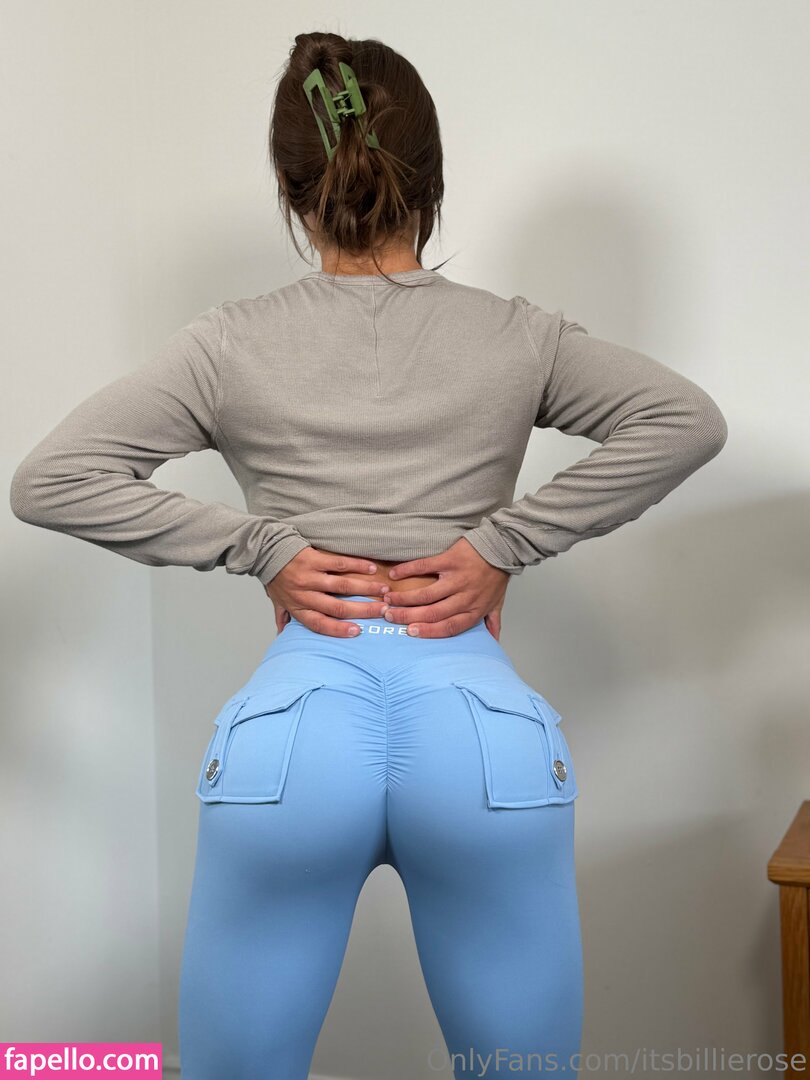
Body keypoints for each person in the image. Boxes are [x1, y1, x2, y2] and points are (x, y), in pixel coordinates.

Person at [8, 30, 728, 1080]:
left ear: (291, 187)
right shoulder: (517, 336)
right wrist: (502, 545)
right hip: (480, 736)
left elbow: (50, 478)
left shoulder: (229, 343)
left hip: (294, 735)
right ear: (431, 177)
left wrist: (262, 548)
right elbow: (686, 420)